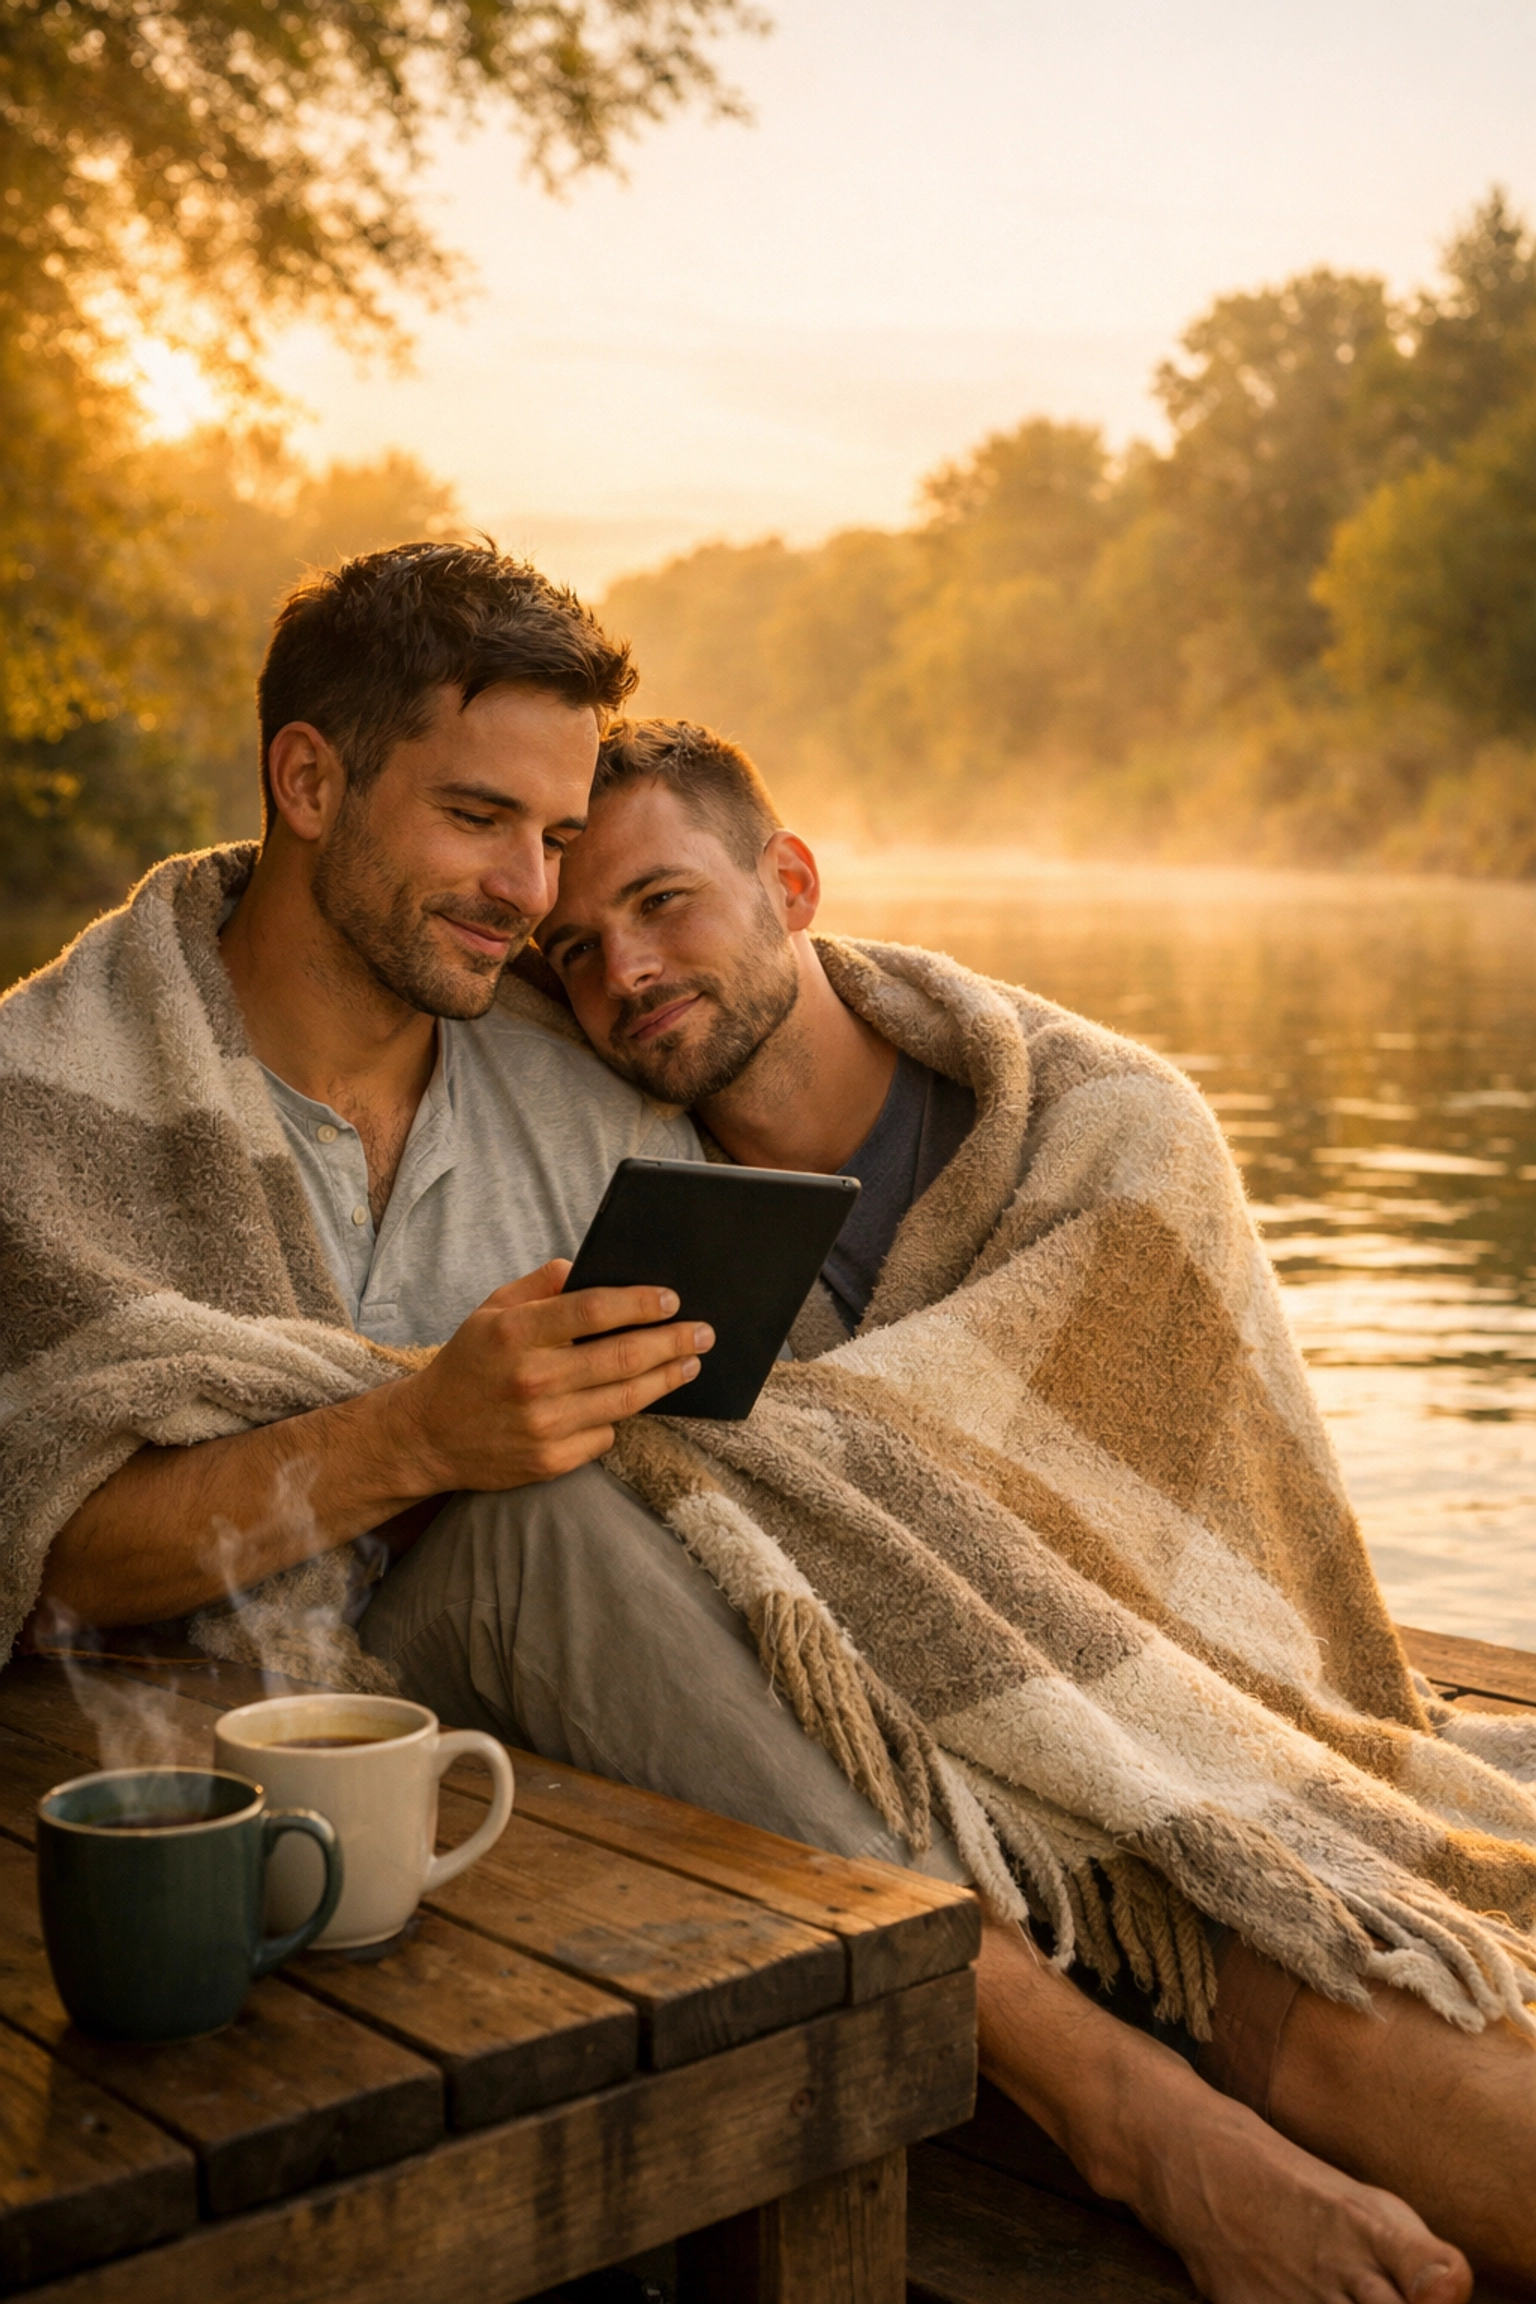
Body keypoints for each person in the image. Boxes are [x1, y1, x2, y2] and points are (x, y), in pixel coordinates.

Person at [514, 716, 1534, 2304]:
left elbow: (1224, 1533)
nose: (623, 974)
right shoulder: (632, 1215)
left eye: (663, 903)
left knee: (1357, 2000)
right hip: (949, 1818)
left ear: (788, 880)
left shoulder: (1110, 1129)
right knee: (1323, 2038)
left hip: (1197, 1759)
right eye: (575, 948)